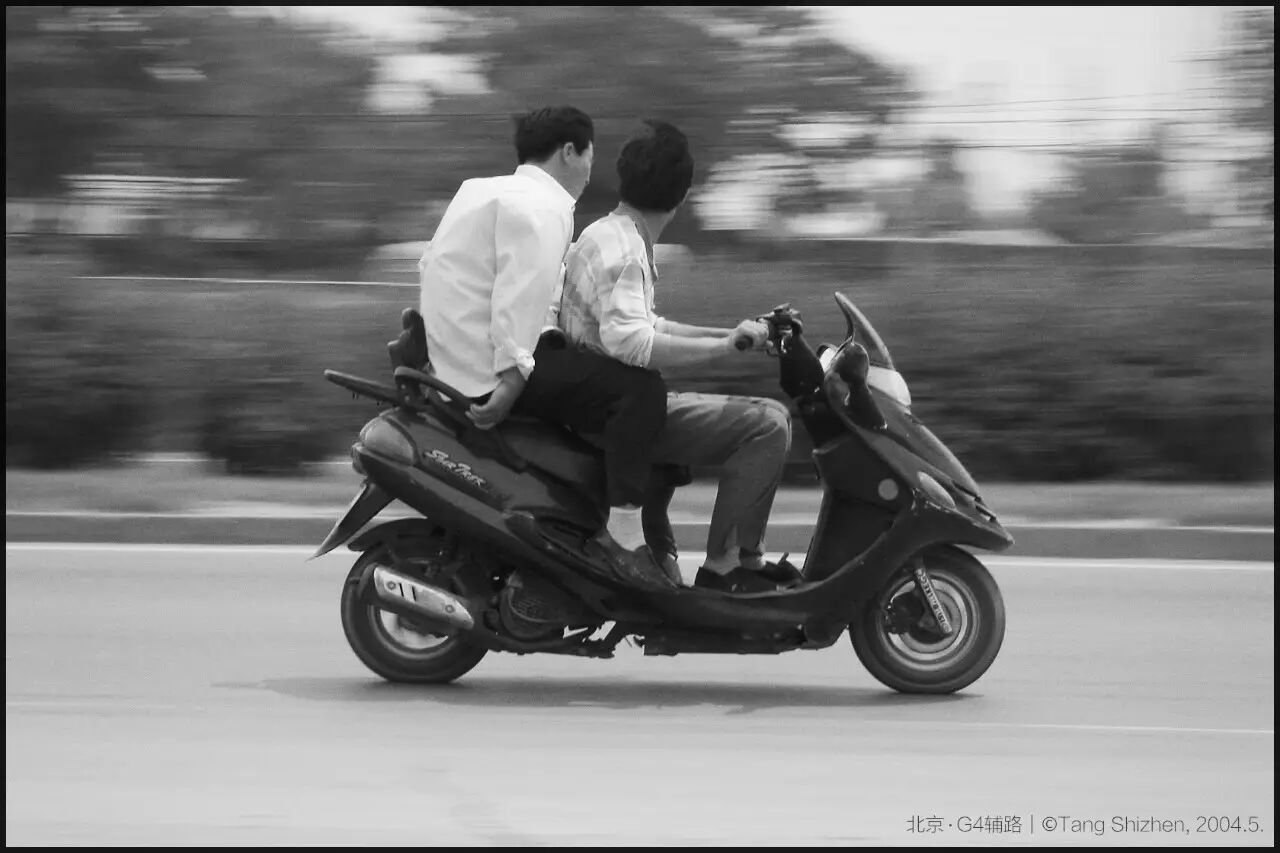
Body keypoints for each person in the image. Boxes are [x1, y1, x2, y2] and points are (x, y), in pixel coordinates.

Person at [418, 105, 677, 591]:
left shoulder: (477, 190)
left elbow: (431, 266)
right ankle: (623, 537)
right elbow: (519, 295)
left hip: (451, 361)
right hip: (491, 371)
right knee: (640, 391)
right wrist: (512, 379)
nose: (591, 169)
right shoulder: (546, 206)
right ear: (569, 152)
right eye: (590, 155)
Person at [558, 119, 802, 593]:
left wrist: (734, 335)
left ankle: (730, 563)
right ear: (683, 194)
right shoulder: (626, 252)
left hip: (603, 406)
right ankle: (729, 568)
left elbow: (648, 325)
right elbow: (634, 344)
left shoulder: (608, 234)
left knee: (768, 416)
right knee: (769, 425)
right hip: (615, 418)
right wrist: (724, 349)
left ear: (625, 177)